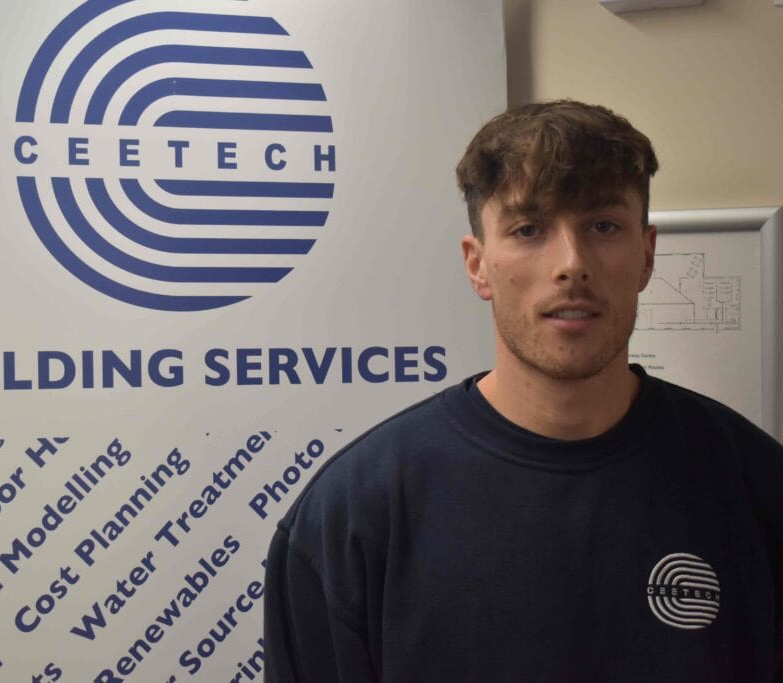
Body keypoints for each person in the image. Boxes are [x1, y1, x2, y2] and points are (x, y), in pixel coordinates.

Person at [263, 100, 783, 682]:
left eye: (603, 226)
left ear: (646, 254)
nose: (571, 264)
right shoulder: (351, 516)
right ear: (477, 264)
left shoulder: (758, 487)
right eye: (528, 230)